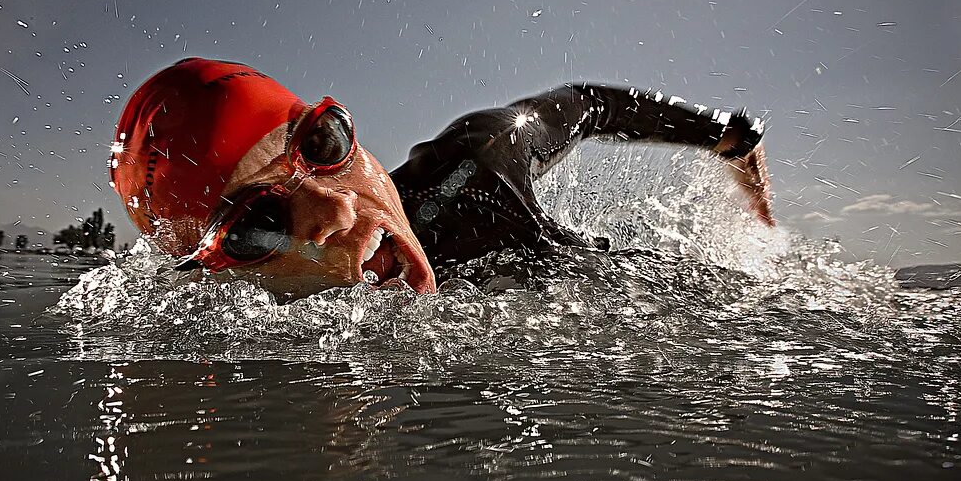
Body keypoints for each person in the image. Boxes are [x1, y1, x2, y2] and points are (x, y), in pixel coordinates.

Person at [109, 58, 774, 298]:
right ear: (220, 269)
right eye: (257, 224)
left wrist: (729, 136)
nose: (337, 213)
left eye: (322, 143)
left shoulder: (478, 163)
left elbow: (587, 104)